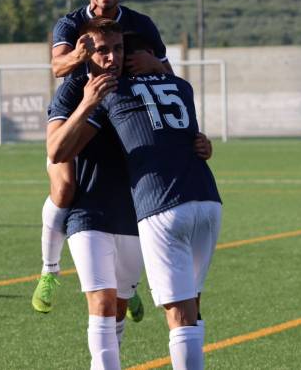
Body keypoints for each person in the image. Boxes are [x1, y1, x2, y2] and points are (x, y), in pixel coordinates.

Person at [49, 19, 220, 370]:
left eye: (118, 49)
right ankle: (47, 266)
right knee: (177, 307)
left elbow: (60, 151)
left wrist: (89, 104)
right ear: (84, 52)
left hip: (155, 205)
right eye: (103, 50)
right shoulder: (178, 84)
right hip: (200, 199)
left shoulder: (113, 90)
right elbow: (56, 151)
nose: (111, 57)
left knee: (176, 314)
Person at [32, 0, 172, 315]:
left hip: (123, 114)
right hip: (75, 107)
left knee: (133, 190)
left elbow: (170, 79)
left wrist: (154, 63)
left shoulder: (142, 25)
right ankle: (48, 271)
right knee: (64, 185)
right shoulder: (70, 23)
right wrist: (81, 55)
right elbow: (58, 67)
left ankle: (128, 284)